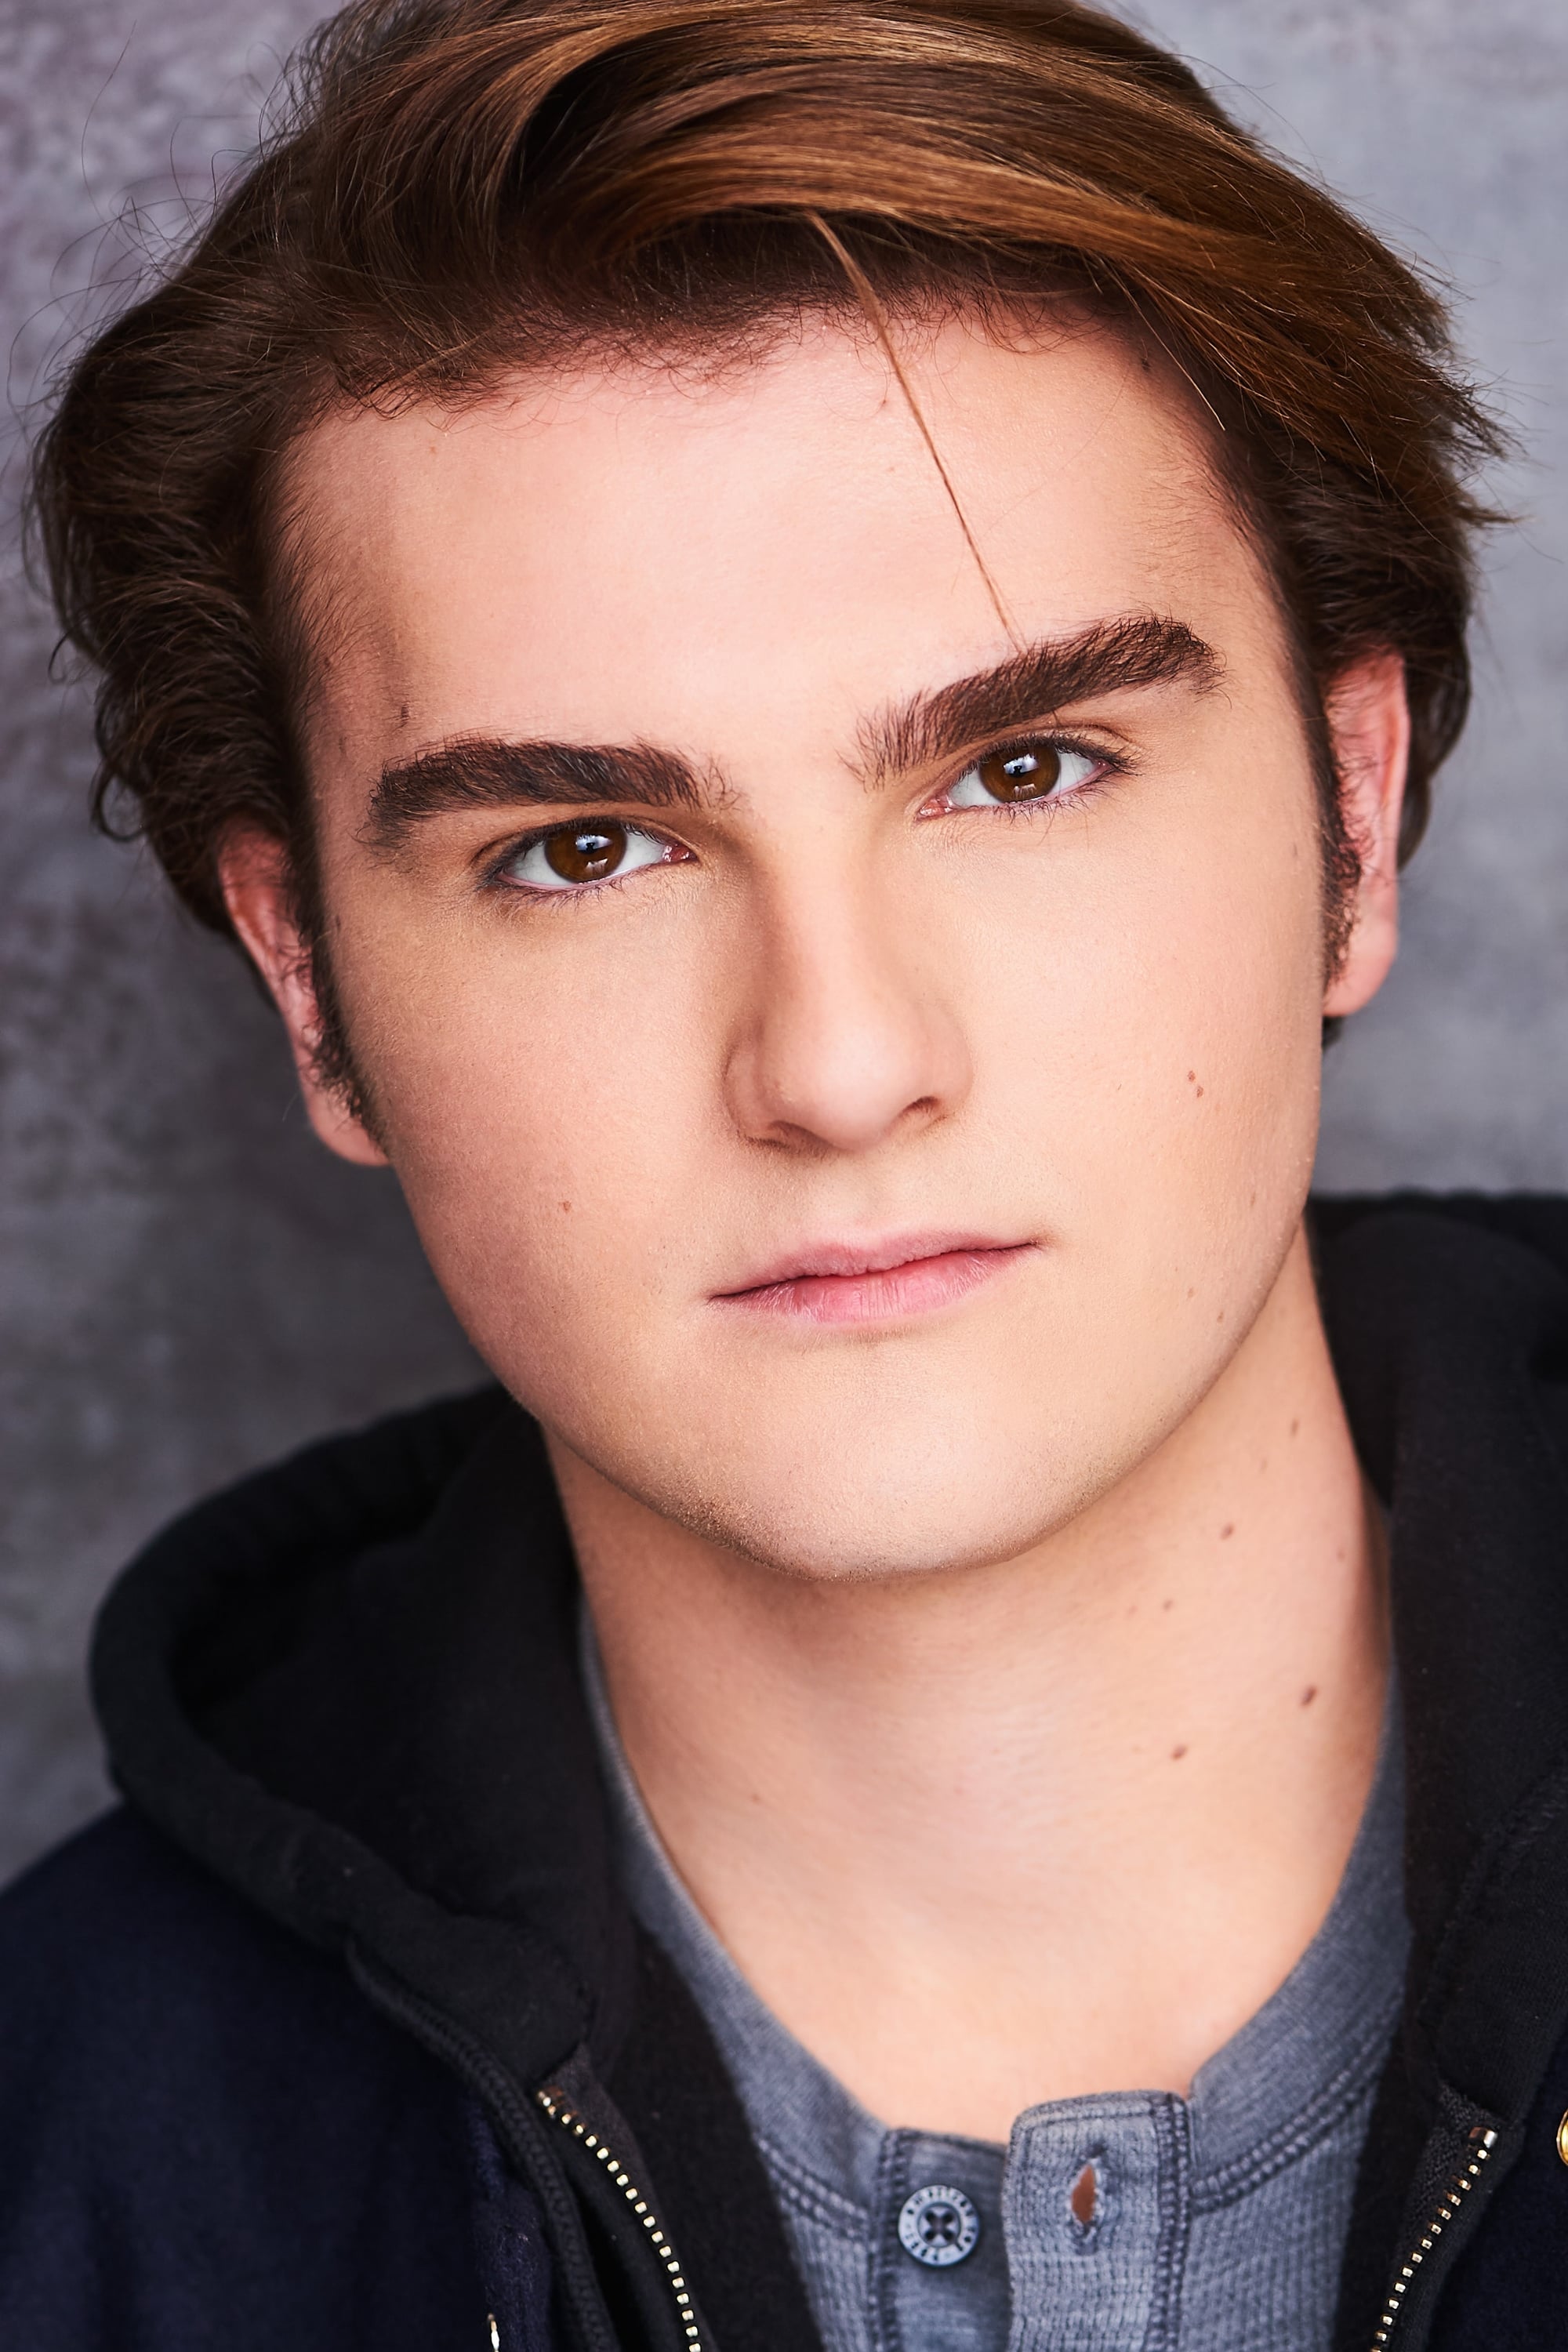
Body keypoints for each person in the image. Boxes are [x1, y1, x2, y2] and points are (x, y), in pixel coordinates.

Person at [2, 1, 1563, 2346]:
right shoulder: (61, 2180)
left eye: (1024, 772)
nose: (838, 1064)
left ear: (1350, 818)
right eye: (584, 846)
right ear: (309, 984)